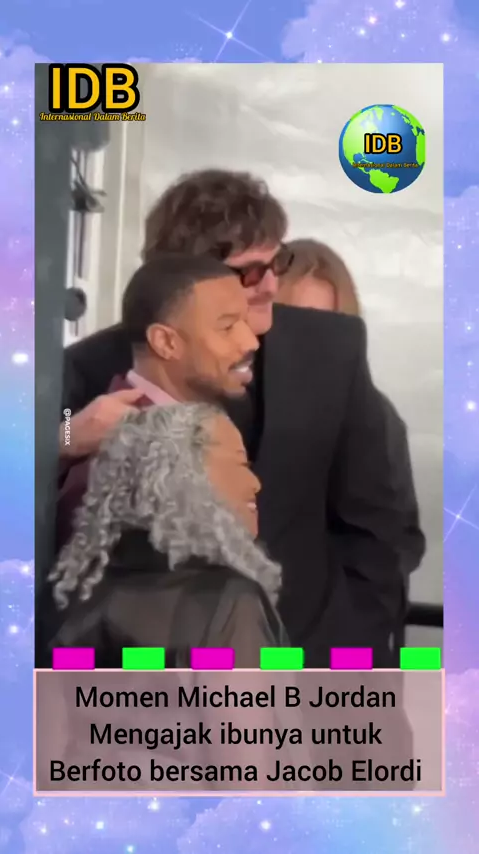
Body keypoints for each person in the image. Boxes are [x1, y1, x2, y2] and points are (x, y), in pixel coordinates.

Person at [57, 169, 425, 667]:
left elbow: (380, 525)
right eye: (249, 273)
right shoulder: (90, 365)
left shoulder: (331, 348)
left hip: (318, 664)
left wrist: (350, 648)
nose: (271, 284)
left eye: (278, 262)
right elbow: (47, 470)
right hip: (158, 680)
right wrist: (67, 436)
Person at [49, 403, 286, 668]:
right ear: (187, 475)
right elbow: (246, 696)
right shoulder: (229, 603)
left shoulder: (72, 599)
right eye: (240, 464)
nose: (255, 483)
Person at [276, 238, 426, 646]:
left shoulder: (375, 417)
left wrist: (353, 622)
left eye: (327, 323)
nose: (312, 339)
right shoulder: (236, 403)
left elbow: (400, 539)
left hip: (329, 645)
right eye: (293, 319)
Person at [56, 251, 258, 552]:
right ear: (165, 342)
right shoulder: (111, 465)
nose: (251, 341)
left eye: (246, 321)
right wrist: (64, 439)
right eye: (227, 327)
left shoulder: (229, 414)